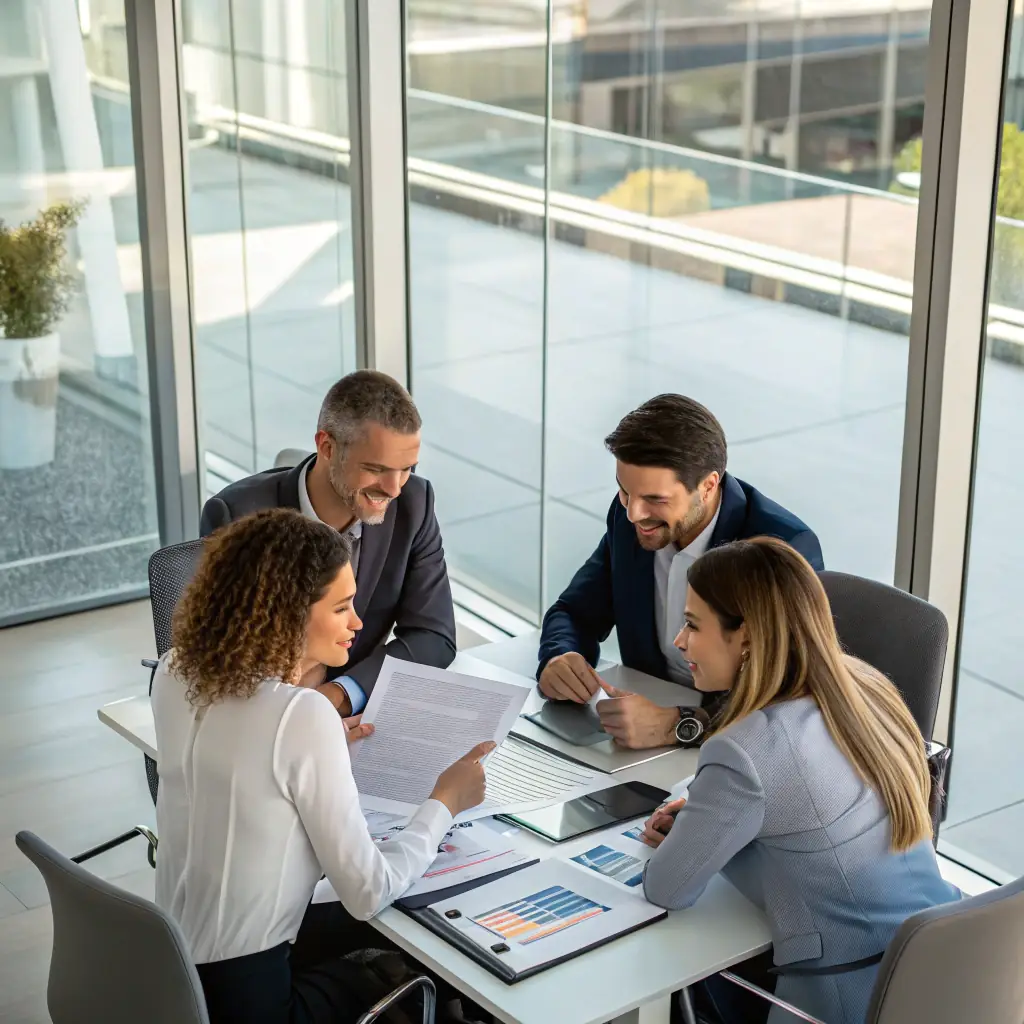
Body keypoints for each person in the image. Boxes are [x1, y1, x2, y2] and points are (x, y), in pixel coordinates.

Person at [152, 508, 491, 1024]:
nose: (357, 623)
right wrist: (445, 801)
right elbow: (368, 891)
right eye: (341, 607)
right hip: (253, 1005)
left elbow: (243, 776)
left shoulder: (174, 671)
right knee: (424, 947)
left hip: (171, 969)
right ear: (287, 614)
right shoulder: (299, 714)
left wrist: (324, 752)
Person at [640, 537, 960, 1024]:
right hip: (943, 964)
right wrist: (721, 824)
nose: (680, 641)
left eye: (693, 625)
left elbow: (667, 888)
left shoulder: (745, 751)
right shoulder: (865, 688)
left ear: (747, 637)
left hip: (847, 1000)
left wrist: (698, 838)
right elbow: (812, 817)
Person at [537, 394, 824, 750]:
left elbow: (792, 692)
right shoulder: (632, 517)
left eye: (655, 499)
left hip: (736, 747)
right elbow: (574, 611)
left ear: (708, 486)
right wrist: (560, 656)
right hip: (633, 729)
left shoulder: (781, 547)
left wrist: (681, 723)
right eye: (624, 492)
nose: (634, 513)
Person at [200, 370, 456, 715]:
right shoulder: (238, 515)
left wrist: (341, 695)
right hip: (263, 718)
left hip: (355, 716)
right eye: (376, 469)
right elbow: (220, 654)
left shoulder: (414, 504)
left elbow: (434, 637)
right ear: (327, 447)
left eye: (407, 468)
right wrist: (302, 716)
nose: (394, 488)